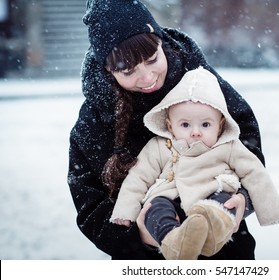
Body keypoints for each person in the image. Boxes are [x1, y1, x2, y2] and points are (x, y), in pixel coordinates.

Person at [68, 0, 266, 260]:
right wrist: (136, 238)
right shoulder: (94, 121)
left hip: (224, 249)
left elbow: (245, 140)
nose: (147, 77)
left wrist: (244, 197)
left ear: (160, 42)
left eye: (152, 60)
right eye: (128, 71)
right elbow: (89, 203)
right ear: (108, 69)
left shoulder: (199, 82)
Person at [110, 67, 279, 260]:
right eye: (185, 125)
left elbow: (255, 173)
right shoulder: (160, 146)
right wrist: (125, 211)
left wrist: (270, 210)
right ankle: (174, 241)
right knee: (155, 210)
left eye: (205, 124)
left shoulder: (228, 146)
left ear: (220, 126)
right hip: (169, 196)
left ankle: (213, 233)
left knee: (221, 205)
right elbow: (138, 178)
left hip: (214, 191)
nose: (196, 132)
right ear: (170, 125)